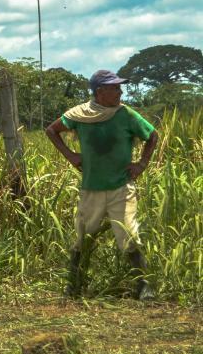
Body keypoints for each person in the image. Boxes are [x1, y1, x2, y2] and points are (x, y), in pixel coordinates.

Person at [45, 69, 159, 301]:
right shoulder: (80, 115)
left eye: (119, 87)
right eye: (114, 88)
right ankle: (74, 286)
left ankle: (143, 285)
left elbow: (152, 135)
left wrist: (142, 164)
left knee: (128, 233)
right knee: (83, 236)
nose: (120, 91)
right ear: (100, 92)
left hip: (120, 187)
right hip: (91, 188)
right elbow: (52, 130)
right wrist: (71, 156)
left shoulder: (125, 114)